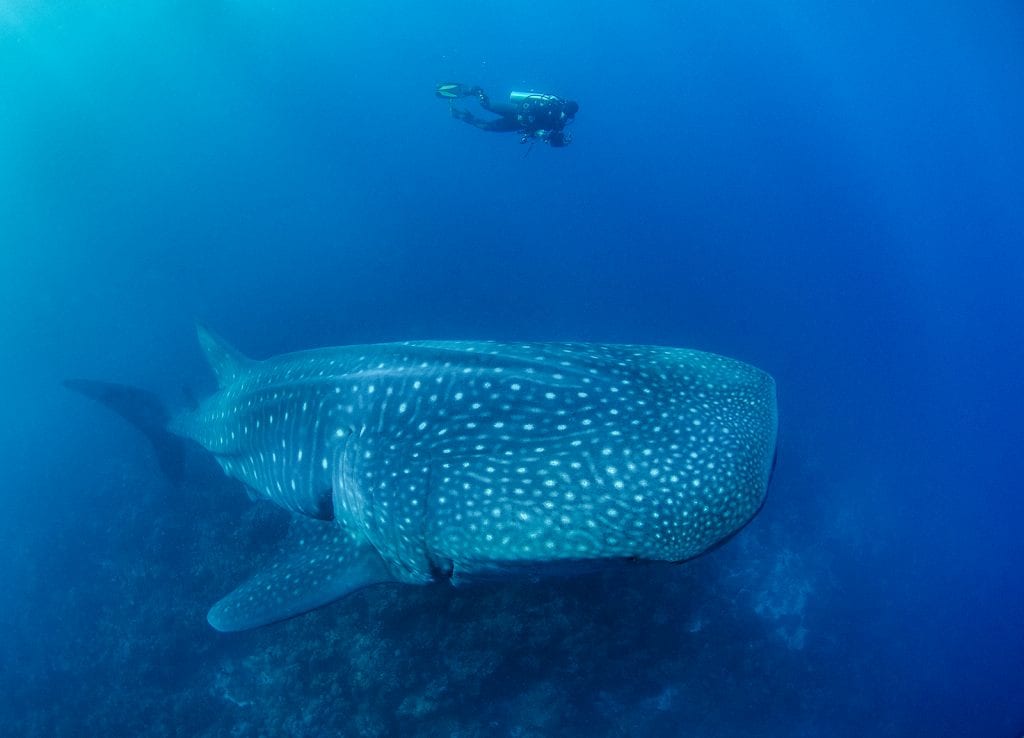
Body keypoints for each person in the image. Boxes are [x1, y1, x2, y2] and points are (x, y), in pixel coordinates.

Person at [436, 83, 579, 147]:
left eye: (567, 116)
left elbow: (550, 138)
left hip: (518, 124)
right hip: (516, 111)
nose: (564, 117)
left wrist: (557, 141)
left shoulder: (558, 124)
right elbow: (530, 104)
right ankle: (474, 91)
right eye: (565, 113)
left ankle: (464, 116)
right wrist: (527, 117)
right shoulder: (552, 105)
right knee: (486, 105)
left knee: (487, 127)